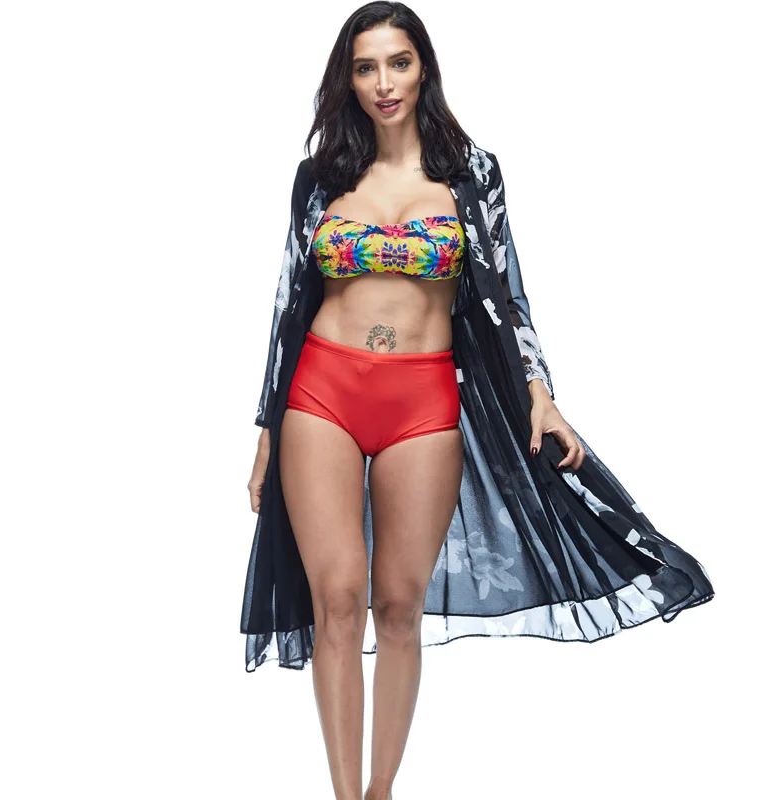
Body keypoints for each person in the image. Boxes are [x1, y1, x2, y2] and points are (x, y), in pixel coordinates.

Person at [242, 4, 715, 799]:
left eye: (398, 62)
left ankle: (382, 790)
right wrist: (265, 427)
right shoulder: (320, 176)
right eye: (365, 67)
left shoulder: (472, 172)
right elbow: (290, 299)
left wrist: (541, 394)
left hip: (422, 399)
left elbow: (508, 293)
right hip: (321, 392)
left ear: (423, 68)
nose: (384, 82)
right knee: (338, 598)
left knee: (398, 604)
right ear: (347, 79)